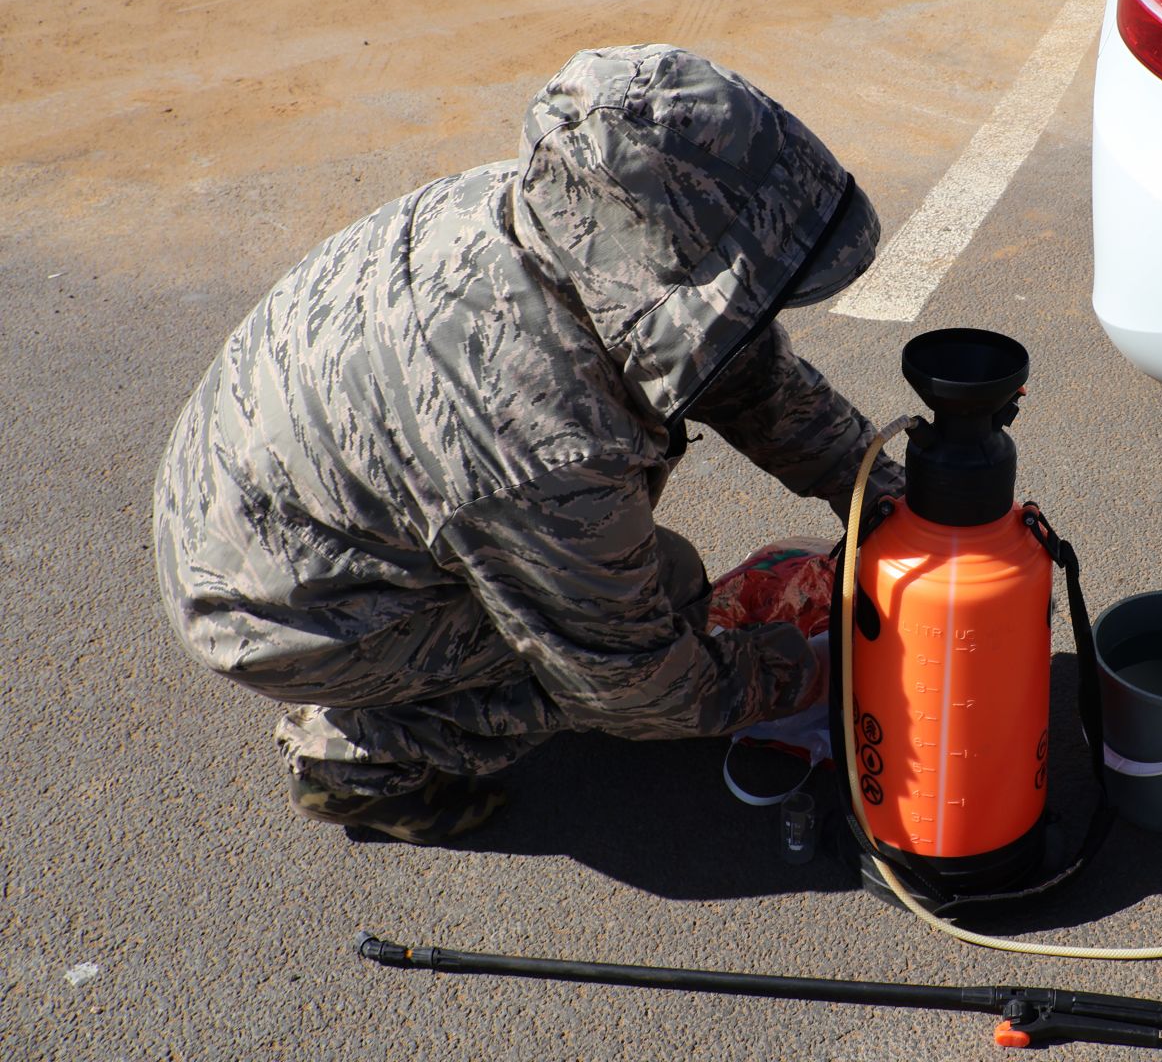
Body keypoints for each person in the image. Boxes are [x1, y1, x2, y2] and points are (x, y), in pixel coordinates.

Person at [152, 44, 904, 844]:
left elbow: (731, 358)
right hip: (273, 604)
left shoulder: (567, 209)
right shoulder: (541, 432)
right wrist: (815, 672)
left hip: (258, 497)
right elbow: (634, 686)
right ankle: (356, 755)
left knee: (649, 582)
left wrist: (873, 484)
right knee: (646, 624)